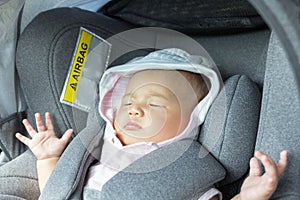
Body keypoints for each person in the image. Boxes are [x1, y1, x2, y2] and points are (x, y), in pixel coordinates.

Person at [15, 48, 288, 200]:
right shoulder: (93, 157)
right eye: (128, 101)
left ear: (190, 122)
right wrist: (48, 158)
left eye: (155, 104)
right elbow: (55, 192)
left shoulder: (180, 170)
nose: (135, 109)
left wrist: (249, 196)